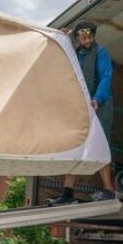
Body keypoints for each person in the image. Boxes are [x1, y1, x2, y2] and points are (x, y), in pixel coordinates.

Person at [48, 21, 115, 206]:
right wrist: (65, 36)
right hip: (83, 105)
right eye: (84, 37)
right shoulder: (76, 54)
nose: (88, 39)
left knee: (101, 143)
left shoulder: (100, 52)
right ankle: (68, 193)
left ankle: (109, 190)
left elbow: (106, 77)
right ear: (78, 38)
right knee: (76, 144)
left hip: (101, 104)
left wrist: (97, 99)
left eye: (91, 36)